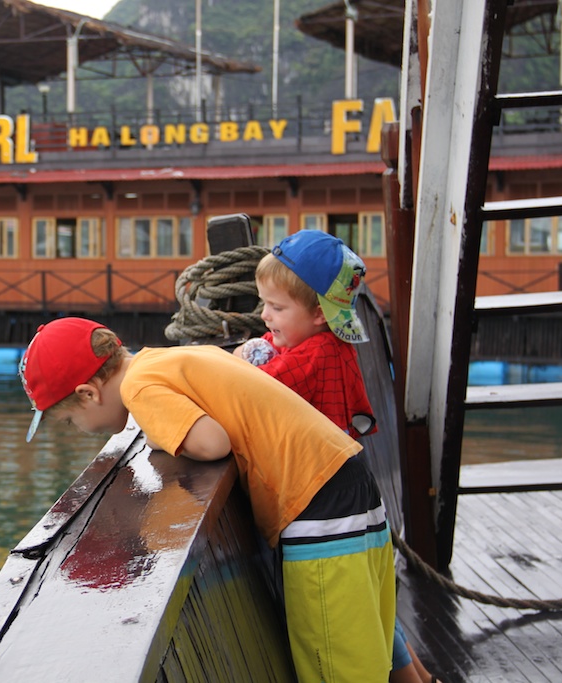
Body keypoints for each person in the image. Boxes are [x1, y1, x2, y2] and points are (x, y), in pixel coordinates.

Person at [20, 315, 396, 682]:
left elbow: (212, 443)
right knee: (366, 650)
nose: (78, 430)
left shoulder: (139, 388)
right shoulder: (162, 359)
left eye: (70, 421)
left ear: (88, 393)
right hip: (346, 481)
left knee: (336, 667)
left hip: (319, 509)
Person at [233, 229, 439, 683]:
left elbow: (246, 393)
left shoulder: (311, 358)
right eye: (264, 303)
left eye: (277, 308)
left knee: (339, 642)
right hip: (356, 499)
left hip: (323, 511)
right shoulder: (330, 346)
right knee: (370, 615)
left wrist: (243, 355)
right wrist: (272, 343)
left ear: (321, 314)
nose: (265, 316)